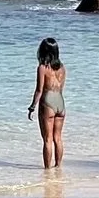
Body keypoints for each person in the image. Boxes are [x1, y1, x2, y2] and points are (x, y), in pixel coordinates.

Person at [27, 37, 66, 171]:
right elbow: (61, 88)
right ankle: (58, 167)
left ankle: (47, 170)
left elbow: (39, 90)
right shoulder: (62, 68)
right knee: (58, 138)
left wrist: (32, 107)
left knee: (47, 139)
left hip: (47, 102)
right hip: (60, 101)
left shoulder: (42, 68)